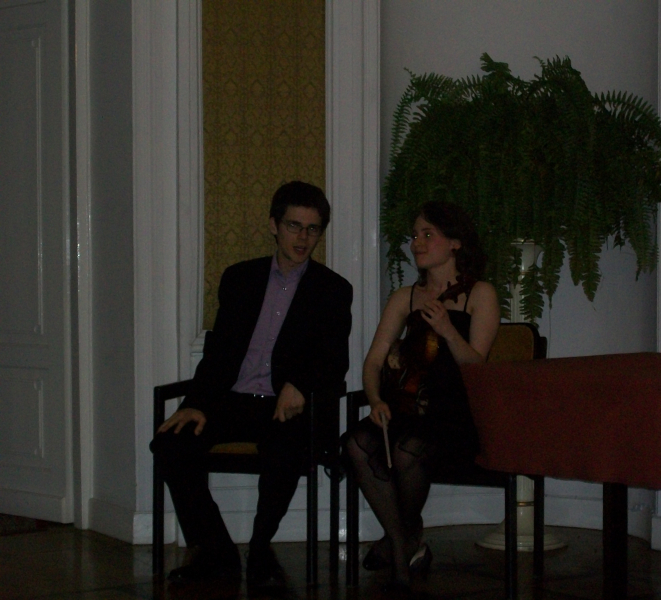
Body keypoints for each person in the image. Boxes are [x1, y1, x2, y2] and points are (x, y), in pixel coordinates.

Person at [151, 181, 352, 590]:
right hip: (233, 399)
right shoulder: (240, 278)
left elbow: (334, 361)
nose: (303, 238)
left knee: (285, 448)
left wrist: (299, 385)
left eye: (312, 229)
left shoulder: (332, 289)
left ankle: (260, 549)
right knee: (171, 444)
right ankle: (216, 551)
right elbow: (218, 353)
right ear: (274, 226)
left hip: (286, 405)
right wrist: (195, 402)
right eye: (294, 226)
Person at [344, 201, 500, 592]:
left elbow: (477, 367)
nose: (417, 243)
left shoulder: (480, 294)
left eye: (428, 234)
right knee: (356, 444)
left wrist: (447, 330)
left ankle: (400, 543)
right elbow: (373, 361)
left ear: (455, 243)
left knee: (407, 450)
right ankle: (405, 541)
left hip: (454, 415)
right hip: (405, 407)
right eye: (415, 235)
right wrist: (375, 400)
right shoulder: (405, 297)